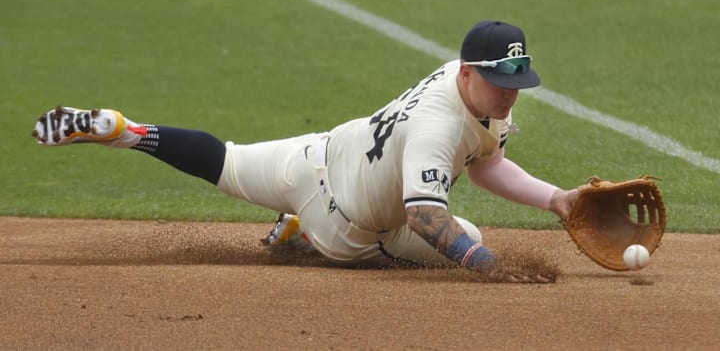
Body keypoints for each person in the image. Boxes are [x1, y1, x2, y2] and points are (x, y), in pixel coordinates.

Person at [32, 20, 578, 281]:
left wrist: (558, 200)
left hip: (316, 156)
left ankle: (127, 129)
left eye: (517, 81)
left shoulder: (467, 84)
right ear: (468, 73)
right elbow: (426, 215)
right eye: (500, 82)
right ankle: (307, 236)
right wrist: (488, 266)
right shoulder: (440, 128)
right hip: (349, 231)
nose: (511, 93)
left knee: (225, 161)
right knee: (469, 236)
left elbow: (490, 165)